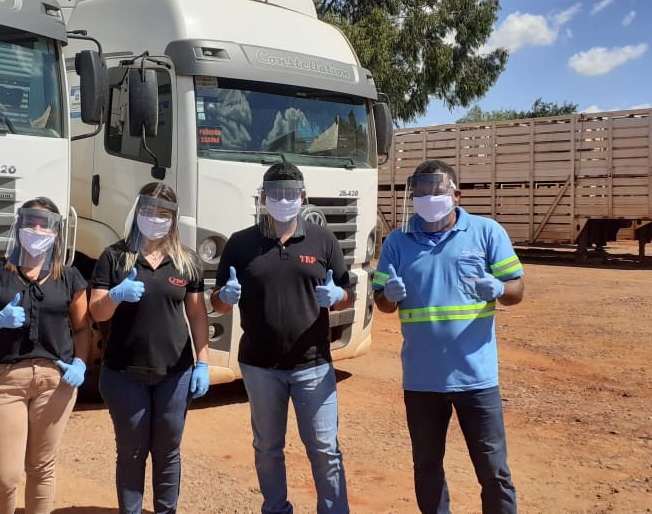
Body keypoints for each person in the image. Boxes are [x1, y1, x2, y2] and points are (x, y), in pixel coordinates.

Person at [371, 159, 525, 514]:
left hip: (476, 378)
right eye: (420, 193)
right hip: (422, 380)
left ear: (456, 194)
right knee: (426, 467)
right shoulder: (397, 241)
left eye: (436, 191)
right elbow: (383, 304)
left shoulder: (487, 233)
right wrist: (387, 296)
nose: (427, 198)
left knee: (493, 471)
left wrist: (500, 286)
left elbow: (517, 291)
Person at [210, 162, 353, 514]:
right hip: (260, 367)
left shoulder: (324, 241)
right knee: (268, 447)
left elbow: (346, 289)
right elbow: (217, 302)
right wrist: (223, 299)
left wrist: (338, 297)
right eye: (276, 194)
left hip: (314, 365)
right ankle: (275, 509)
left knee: (324, 449)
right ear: (264, 197)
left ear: (303, 197)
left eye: (291, 194)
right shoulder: (241, 244)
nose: (284, 200)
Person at [0, 197, 90, 514]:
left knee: (42, 468)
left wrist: (81, 363)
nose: (37, 229)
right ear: (19, 225)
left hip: (54, 382)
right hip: (5, 383)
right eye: (31, 222)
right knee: (4, 476)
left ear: (57, 233)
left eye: (46, 224)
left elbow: (83, 329)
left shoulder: (69, 277)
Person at [88, 182, 211, 514]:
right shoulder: (114, 257)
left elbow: (197, 314)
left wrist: (202, 362)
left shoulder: (186, 262)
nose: (154, 218)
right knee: (131, 452)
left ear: (173, 218)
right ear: (136, 211)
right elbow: (96, 311)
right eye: (147, 211)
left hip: (176, 374)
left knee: (168, 451)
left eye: (163, 213)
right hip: (124, 374)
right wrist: (114, 295)